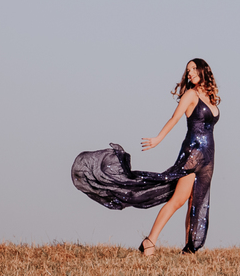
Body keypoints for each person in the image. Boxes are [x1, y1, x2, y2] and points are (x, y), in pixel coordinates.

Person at [71, 58, 221, 254]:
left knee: (197, 203)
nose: (189, 73)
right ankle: (149, 242)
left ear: (203, 70)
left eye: (193, 68)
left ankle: (189, 250)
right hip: (192, 154)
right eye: (187, 70)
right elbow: (174, 118)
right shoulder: (191, 95)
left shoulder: (210, 97)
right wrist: (158, 139)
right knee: (179, 200)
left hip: (208, 158)